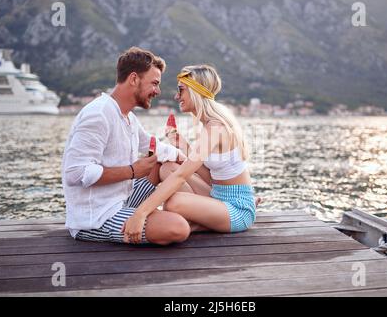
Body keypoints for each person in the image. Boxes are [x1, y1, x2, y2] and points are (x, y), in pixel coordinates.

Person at [62, 47, 190, 246]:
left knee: (160, 163)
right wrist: (132, 171)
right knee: (177, 228)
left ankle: (212, 204)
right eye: (154, 83)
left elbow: (153, 145)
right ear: (133, 79)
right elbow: (75, 173)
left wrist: (187, 160)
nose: (158, 91)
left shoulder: (127, 115)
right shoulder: (99, 115)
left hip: (122, 198)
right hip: (96, 217)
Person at [121, 64, 256, 244]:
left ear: (194, 91)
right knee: (167, 168)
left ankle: (198, 224)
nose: (177, 96)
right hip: (218, 195)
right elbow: (209, 176)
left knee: (173, 203)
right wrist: (180, 144)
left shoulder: (215, 127)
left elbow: (182, 175)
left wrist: (141, 213)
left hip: (237, 210)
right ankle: (197, 223)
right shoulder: (209, 124)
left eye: (181, 90)